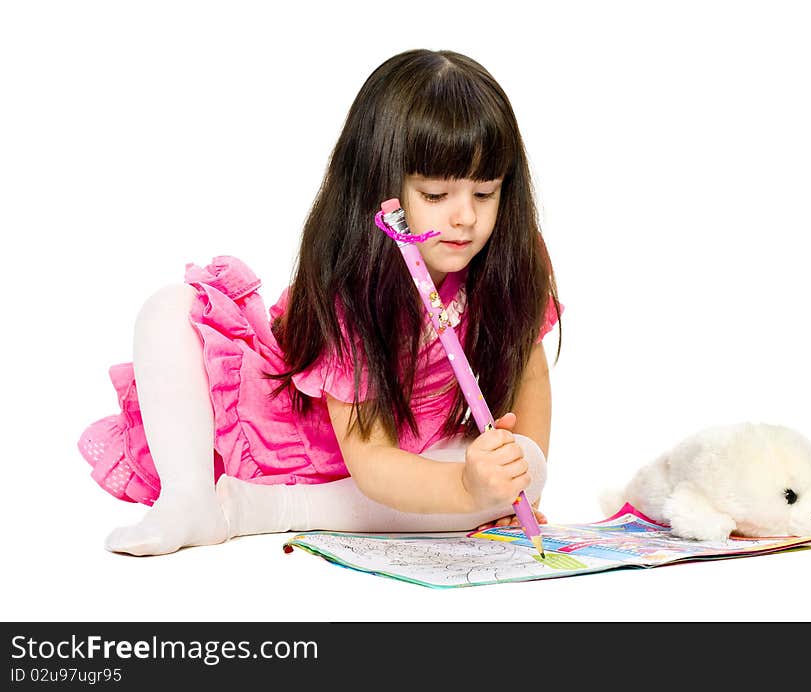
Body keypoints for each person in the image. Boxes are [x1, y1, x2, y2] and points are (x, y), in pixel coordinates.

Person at [77, 49, 564, 556]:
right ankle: (193, 499)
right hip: (326, 438)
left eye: (484, 194)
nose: (465, 217)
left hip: (418, 456)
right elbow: (370, 459)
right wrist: (466, 491)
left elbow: (530, 373)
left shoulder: (513, 261)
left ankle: (261, 508)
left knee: (528, 464)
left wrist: (510, 484)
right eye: (437, 195)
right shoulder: (351, 289)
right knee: (167, 310)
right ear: (380, 187)